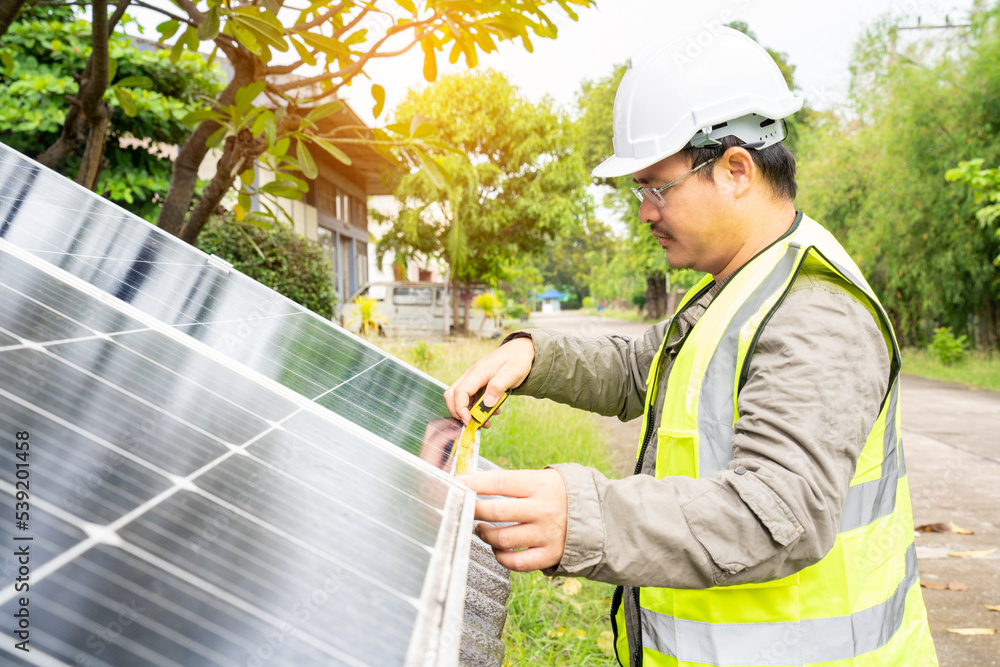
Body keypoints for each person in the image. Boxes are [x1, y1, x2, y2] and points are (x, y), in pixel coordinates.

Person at [444, 26, 938, 667]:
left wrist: (584, 517)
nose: (644, 212)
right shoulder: (739, 285)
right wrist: (534, 355)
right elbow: (640, 367)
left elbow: (775, 513)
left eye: (657, 187)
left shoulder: (818, 315)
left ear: (736, 170)